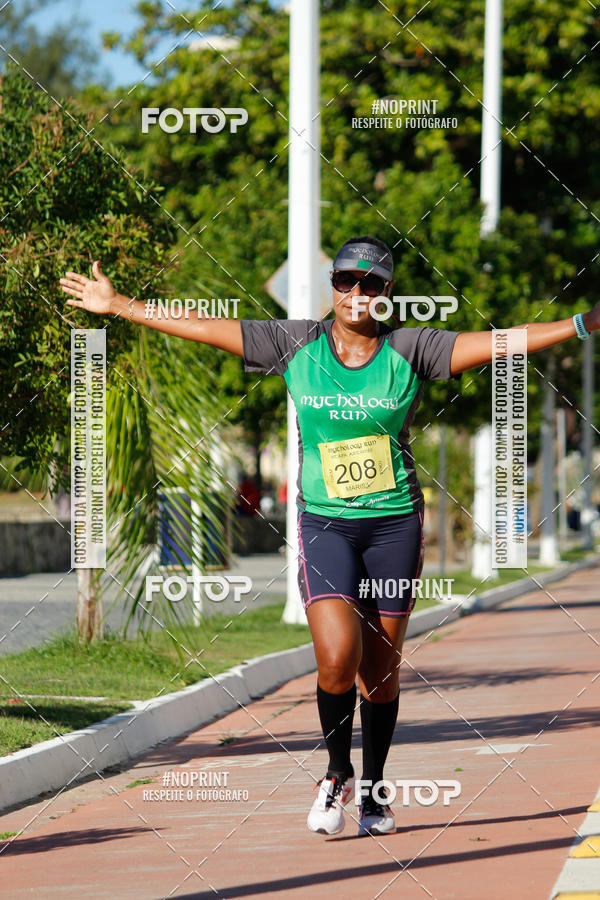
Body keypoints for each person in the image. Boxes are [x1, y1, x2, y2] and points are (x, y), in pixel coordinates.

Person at [60, 236, 600, 837]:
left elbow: (501, 342)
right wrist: (122, 305)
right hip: (325, 523)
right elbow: (206, 325)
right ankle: (336, 773)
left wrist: (581, 323)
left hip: (394, 524)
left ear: (387, 292)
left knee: (381, 671)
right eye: (346, 282)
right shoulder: (296, 344)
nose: (356, 294)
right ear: (333, 287)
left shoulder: (411, 346)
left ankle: (373, 792)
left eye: (371, 284)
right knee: (337, 657)